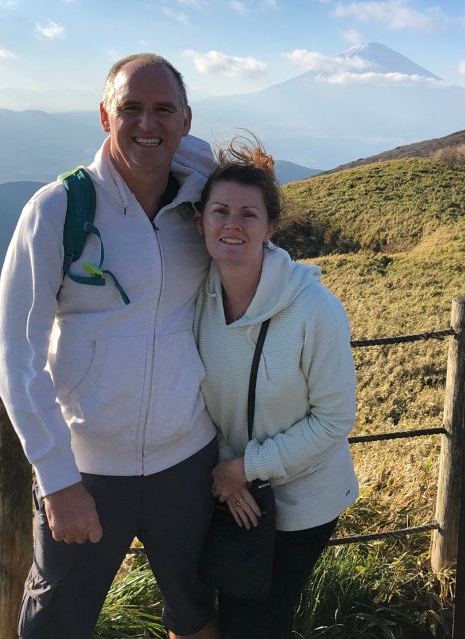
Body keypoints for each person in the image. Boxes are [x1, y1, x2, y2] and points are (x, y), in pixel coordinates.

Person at [0, 54, 220, 639]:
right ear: (105, 115)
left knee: (197, 613)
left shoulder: (202, 202)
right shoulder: (57, 210)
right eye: (131, 108)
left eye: (164, 109)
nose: (148, 123)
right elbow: (16, 354)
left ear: (187, 120)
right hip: (87, 467)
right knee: (56, 624)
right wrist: (57, 479)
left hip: (188, 457)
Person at [193, 133, 359, 639]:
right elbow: (196, 398)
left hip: (302, 501)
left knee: (254, 624)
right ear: (200, 222)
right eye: (220, 211)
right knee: (231, 616)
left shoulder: (314, 309)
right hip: (232, 493)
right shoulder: (195, 300)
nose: (232, 224)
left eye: (249, 214)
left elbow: (334, 419)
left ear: (270, 228)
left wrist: (244, 469)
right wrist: (230, 473)